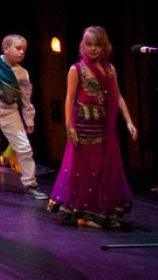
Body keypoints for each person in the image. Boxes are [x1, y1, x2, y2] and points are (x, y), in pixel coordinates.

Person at [47, 26, 137, 228]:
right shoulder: (77, 69)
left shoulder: (110, 69)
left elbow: (118, 97)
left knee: (103, 169)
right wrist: (69, 127)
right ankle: (84, 214)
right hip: (83, 126)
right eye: (89, 44)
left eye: (98, 45)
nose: (93, 48)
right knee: (86, 169)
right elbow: (70, 98)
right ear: (83, 45)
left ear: (105, 46)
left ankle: (99, 212)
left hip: (104, 127)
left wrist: (129, 121)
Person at [0, 35, 47, 200]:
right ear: (6, 48)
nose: (21, 53)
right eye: (18, 49)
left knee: (24, 148)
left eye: (24, 50)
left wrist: (29, 120)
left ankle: (30, 184)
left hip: (10, 114)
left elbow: (26, 99)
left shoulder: (22, 73)